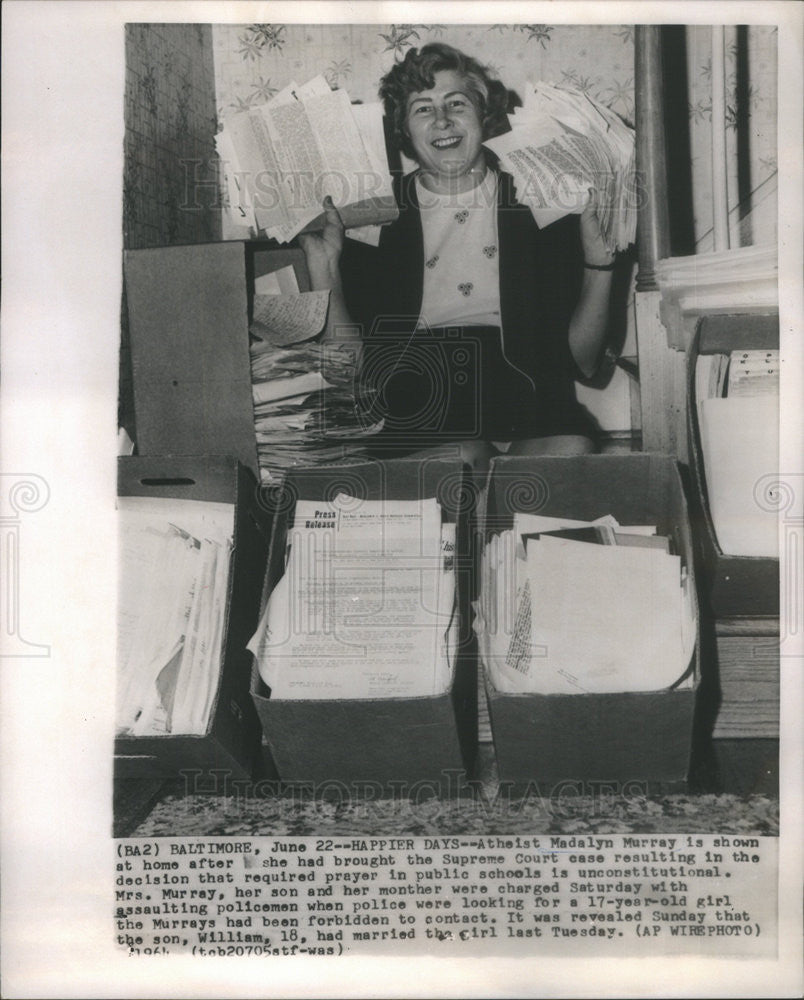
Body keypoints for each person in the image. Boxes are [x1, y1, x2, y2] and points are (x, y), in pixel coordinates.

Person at [299, 43, 618, 468]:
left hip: (528, 396)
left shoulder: (539, 201)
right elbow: (349, 371)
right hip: (418, 398)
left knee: (573, 454)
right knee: (461, 462)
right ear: (405, 132)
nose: (443, 120)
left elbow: (585, 361)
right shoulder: (374, 216)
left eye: (456, 103)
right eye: (423, 109)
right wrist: (326, 268)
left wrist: (600, 262)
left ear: (484, 115)